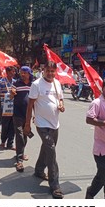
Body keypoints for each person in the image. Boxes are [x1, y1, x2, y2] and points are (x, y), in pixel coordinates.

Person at [24, 61, 65, 199]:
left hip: (55, 124)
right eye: (48, 70)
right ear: (43, 70)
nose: (50, 73)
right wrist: (27, 124)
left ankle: (39, 170)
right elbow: (30, 105)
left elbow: (60, 99)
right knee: (51, 151)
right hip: (41, 124)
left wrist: (61, 105)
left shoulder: (57, 83)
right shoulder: (36, 84)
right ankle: (55, 186)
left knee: (47, 149)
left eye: (53, 71)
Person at [85, 76, 105, 199]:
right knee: (103, 177)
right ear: (103, 88)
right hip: (102, 150)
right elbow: (89, 119)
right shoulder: (97, 103)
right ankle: (90, 193)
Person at [11, 66, 33, 172]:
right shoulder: (16, 84)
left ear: (29, 74)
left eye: (25, 72)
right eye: (21, 72)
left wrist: (35, 115)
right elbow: (10, 96)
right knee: (19, 135)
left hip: (28, 115)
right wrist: (12, 93)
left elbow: (35, 101)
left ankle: (21, 152)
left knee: (25, 135)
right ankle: (19, 160)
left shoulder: (33, 85)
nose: (22, 74)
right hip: (17, 114)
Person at [0, 66, 16, 149]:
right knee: (5, 125)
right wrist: (4, 95)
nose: (12, 74)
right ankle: (3, 142)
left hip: (13, 107)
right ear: (7, 73)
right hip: (5, 107)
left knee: (13, 126)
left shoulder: (15, 82)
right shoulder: (2, 81)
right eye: (11, 72)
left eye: (14, 72)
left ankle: (10, 143)